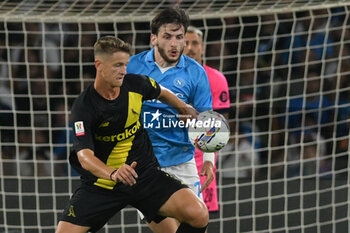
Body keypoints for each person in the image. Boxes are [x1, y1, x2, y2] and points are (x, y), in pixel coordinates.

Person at [55, 36, 209, 233]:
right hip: (103, 183)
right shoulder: (83, 108)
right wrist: (113, 173)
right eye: (118, 65)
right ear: (98, 65)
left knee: (198, 213)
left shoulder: (135, 84)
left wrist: (182, 106)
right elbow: (84, 157)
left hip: (144, 175)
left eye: (126, 65)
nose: (124, 71)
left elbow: (160, 91)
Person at [127, 7, 214, 233]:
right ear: (154, 38)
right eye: (167, 37)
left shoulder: (196, 72)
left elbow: (207, 120)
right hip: (146, 165)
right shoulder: (133, 67)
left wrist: (209, 160)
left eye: (179, 37)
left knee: (196, 220)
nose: (175, 44)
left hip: (183, 163)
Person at [183, 25, 230, 212]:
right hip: (172, 157)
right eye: (186, 42)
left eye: (195, 43)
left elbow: (221, 124)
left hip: (203, 160)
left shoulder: (217, 79)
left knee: (200, 218)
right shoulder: (169, 77)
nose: (190, 47)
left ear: (202, 47)